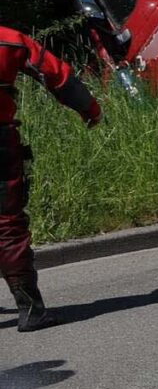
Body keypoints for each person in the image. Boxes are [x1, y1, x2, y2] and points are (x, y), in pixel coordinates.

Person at [1, 24, 101, 331]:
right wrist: (90, 109)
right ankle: (31, 309)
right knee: (7, 223)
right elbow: (58, 75)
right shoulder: (8, 40)